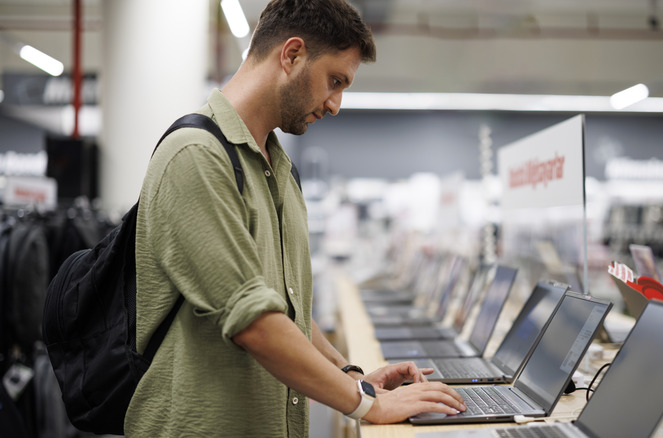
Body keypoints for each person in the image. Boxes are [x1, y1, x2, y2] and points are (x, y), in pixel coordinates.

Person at [126, 0, 466, 436]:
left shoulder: (280, 171)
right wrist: (367, 406)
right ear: (291, 55)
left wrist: (350, 374)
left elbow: (287, 310)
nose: (336, 104)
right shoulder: (196, 155)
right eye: (335, 81)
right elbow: (257, 324)